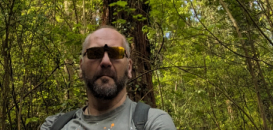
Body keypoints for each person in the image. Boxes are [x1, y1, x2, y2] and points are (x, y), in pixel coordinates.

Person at [41, 26, 176, 130]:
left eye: (116, 53)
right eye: (95, 53)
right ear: (81, 67)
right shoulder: (54, 125)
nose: (105, 61)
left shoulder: (153, 123)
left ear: (129, 68)